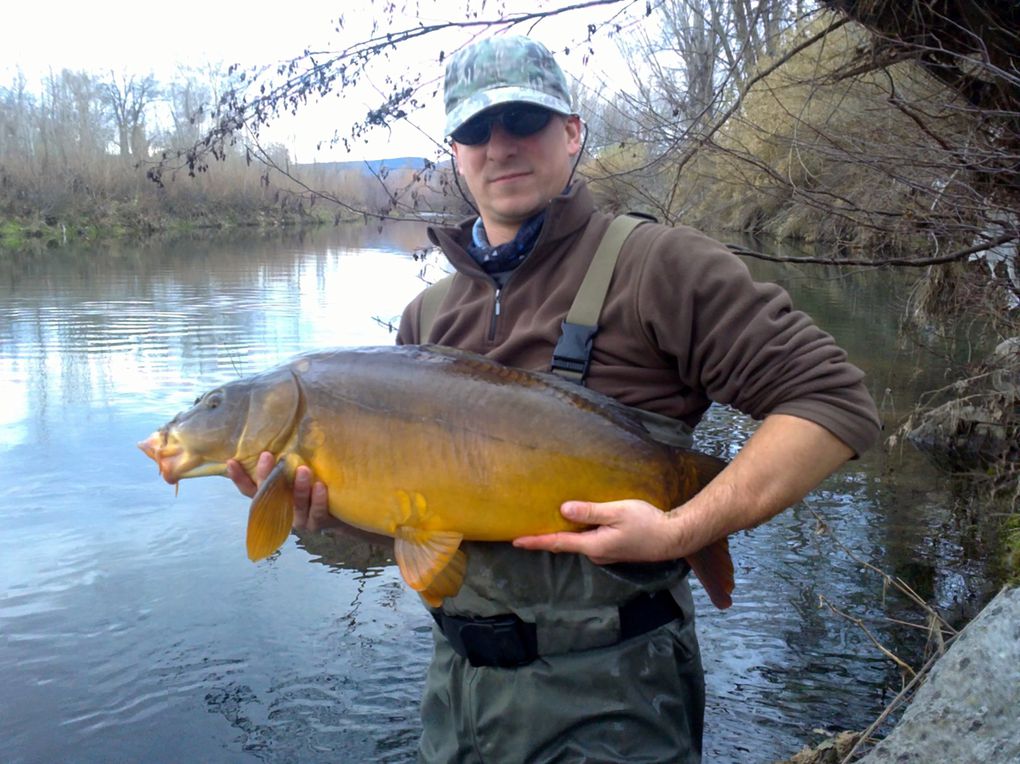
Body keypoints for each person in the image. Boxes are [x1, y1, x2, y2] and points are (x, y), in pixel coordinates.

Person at [228, 35, 881, 762]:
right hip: (457, 697)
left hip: (616, 697)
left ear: (572, 133)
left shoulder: (657, 266)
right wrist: (327, 517)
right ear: (455, 152)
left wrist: (684, 528)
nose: (500, 146)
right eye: (477, 129)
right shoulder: (427, 320)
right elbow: (413, 535)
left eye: (524, 122)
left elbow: (833, 403)